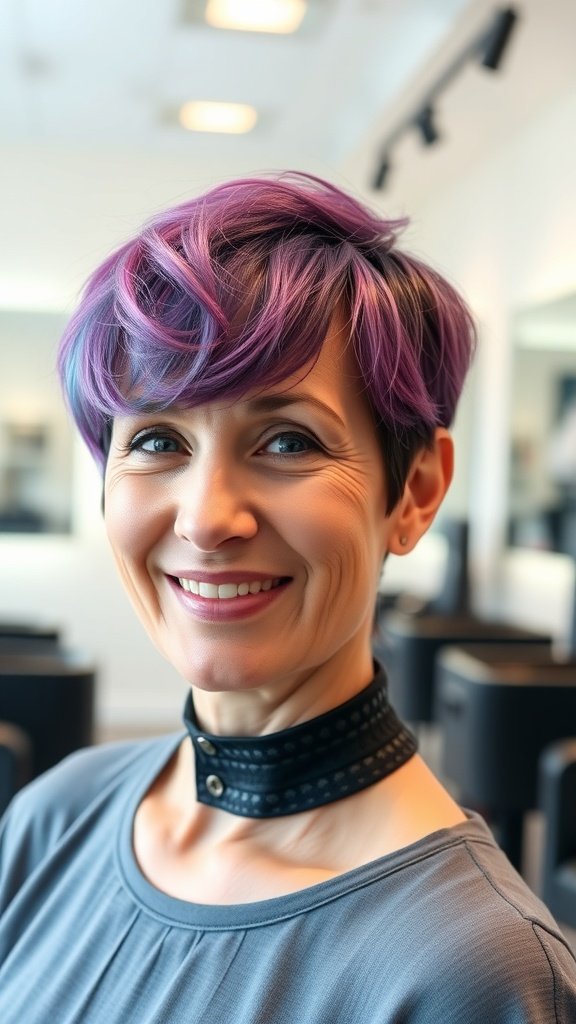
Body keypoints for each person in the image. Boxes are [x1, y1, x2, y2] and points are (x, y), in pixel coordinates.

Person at [0, 173, 575, 1023]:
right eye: (157, 439)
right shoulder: (54, 817)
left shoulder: (472, 970)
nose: (205, 520)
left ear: (414, 492)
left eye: (286, 440)